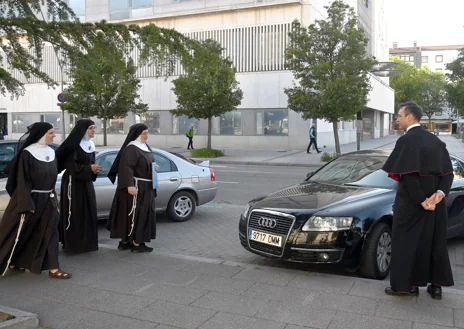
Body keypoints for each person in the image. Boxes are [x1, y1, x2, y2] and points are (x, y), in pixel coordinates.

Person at [382, 101, 454, 300]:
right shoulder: (436, 141)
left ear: (410, 117)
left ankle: (406, 287)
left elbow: (408, 176)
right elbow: (448, 174)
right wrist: (438, 195)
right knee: (435, 243)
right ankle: (436, 287)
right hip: (435, 203)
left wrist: (422, 201)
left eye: (399, 115)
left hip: (412, 203)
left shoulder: (406, 141)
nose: (397, 119)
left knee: (406, 244)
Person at [0, 122, 71, 279]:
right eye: (51, 132)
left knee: (51, 233)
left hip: (49, 199)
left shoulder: (51, 152)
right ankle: (13, 261)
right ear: (41, 134)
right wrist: (26, 204)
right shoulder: (27, 153)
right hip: (30, 200)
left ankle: (54, 268)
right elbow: (22, 180)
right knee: (20, 233)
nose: (54, 135)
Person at [106, 123, 158, 253]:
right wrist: (129, 185)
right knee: (136, 215)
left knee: (139, 215)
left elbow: (147, 162)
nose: (146, 135)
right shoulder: (132, 148)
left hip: (146, 186)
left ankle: (127, 241)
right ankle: (136, 243)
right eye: (144, 133)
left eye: (147, 132)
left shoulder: (144, 146)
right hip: (137, 187)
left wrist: (154, 167)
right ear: (137, 134)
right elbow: (126, 167)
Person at [56, 119, 101, 253]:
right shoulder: (74, 146)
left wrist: (94, 170)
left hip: (86, 182)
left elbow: (90, 163)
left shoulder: (90, 145)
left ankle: (87, 243)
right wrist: (89, 169)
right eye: (91, 128)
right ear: (83, 130)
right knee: (75, 212)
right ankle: (73, 245)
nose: (94, 131)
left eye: (94, 128)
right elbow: (71, 167)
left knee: (88, 211)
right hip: (73, 183)